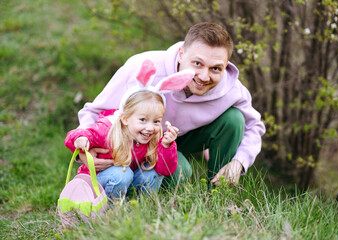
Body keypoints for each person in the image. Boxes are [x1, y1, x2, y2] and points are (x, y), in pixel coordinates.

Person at [76, 22, 266, 187]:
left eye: (216, 68)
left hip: (184, 138)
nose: (204, 76)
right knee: (181, 171)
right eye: (197, 63)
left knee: (234, 119)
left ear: (225, 65)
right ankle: (133, 189)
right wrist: (84, 151)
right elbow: (95, 110)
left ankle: (218, 193)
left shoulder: (232, 90)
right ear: (182, 54)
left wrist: (239, 162)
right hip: (139, 144)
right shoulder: (143, 67)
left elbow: (254, 126)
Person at [64, 60, 195, 198]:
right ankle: (109, 209)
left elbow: (165, 170)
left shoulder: (154, 138)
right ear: (125, 118)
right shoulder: (107, 130)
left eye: (156, 121)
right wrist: (81, 139)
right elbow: (76, 136)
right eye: (143, 120)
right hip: (95, 185)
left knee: (152, 172)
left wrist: (167, 146)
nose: (150, 127)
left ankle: (140, 206)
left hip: (126, 181)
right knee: (122, 173)